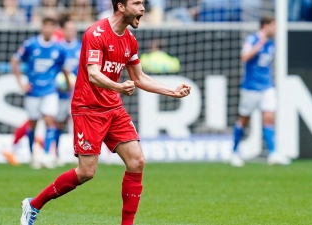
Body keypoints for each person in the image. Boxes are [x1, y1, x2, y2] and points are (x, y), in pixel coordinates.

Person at [19, 0, 191, 224]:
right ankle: (33, 205)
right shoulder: (96, 33)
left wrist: (172, 91)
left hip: (113, 108)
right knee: (86, 172)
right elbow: (93, 74)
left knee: (137, 161)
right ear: (121, 6)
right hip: (88, 109)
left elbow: (139, 78)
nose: (143, 8)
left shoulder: (129, 40)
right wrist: (119, 86)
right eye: (137, 3)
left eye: (143, 3)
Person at [230, 16, 291, 167]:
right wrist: (259, 44)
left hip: (267, 87)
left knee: (269, 117)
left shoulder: (272, 43)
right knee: (244, 119)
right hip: (250, 88)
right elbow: (244, 57)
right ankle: (234, 152)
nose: (275, 29)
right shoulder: (252, 39)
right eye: (273, 26)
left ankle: (273, 154)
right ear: (265, 26)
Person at [11, 17, 70, 169]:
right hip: (33, 91)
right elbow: (14, 60)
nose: (48, 30)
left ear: (54, 29)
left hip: (50, 90)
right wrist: (20, 83)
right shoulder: (30, 44)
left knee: (50, 121)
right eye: (46, 26)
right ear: (42, 28)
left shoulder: (59, 48)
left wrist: (69, 85)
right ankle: (33, 156)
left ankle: (46, 155)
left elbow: (64, 68)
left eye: (51, 27)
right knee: (33, 124)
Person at [54, 19, 82, 167]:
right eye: (68, 29)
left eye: (73, 29)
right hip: (62, 92)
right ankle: (56, 153)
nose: (71, 31)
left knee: (77, 124)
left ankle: (76, 154)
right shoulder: (57, 47)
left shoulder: (81, 47)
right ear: (63, 30)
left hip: (79, 93)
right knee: (58, 123)